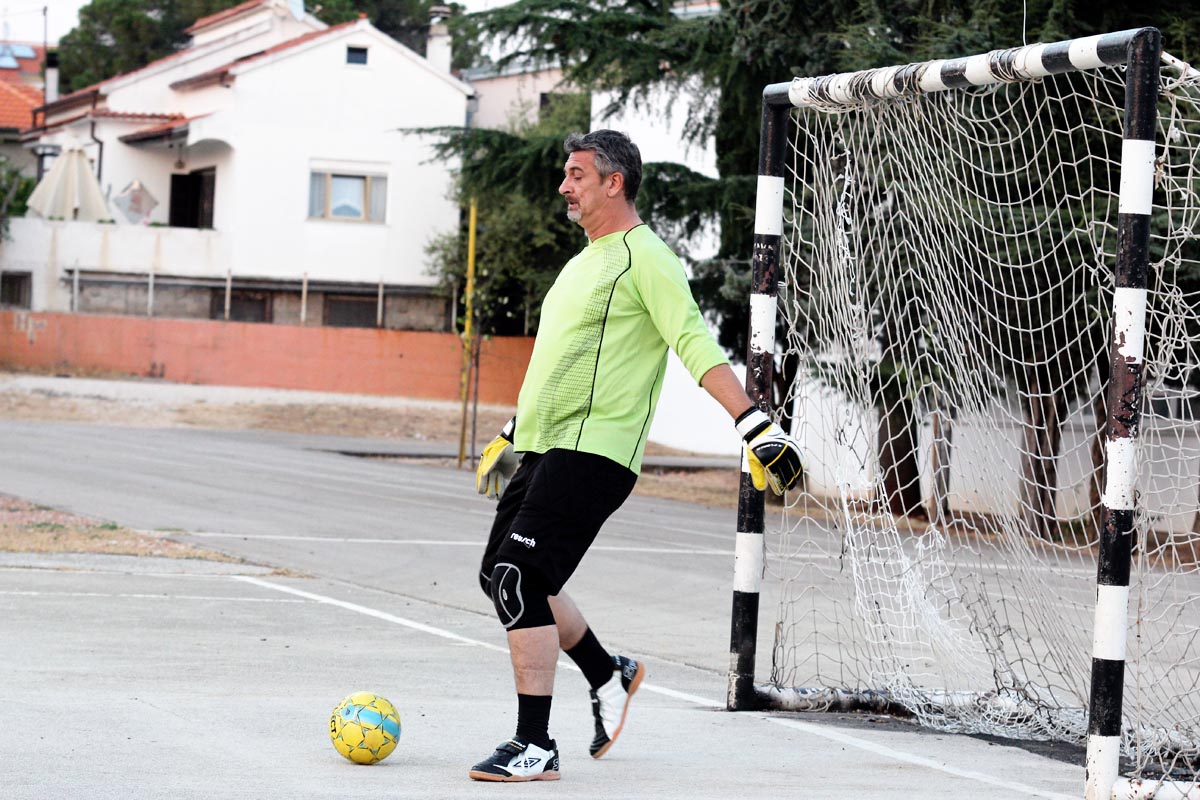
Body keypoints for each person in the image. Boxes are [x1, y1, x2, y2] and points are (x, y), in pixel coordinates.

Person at [467, 130, 803, 782]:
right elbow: (559, 363)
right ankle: (607, 672)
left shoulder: (645, 257)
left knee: (519, 579)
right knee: (499, 578)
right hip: (545, 445)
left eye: (576, 175)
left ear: (613, 181)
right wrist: (513, 433)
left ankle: (534, 744)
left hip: (596, 451)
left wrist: (752, 422)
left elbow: (692, 343)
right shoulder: (583, 262)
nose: (565, 186)